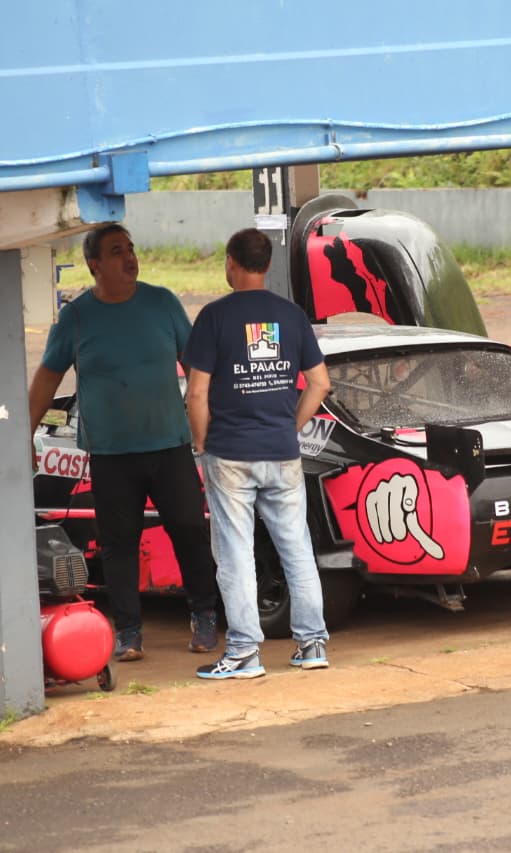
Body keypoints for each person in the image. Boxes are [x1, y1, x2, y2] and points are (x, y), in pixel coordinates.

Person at [26, 223, 219, 663]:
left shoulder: (163, 303)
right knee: (118, 544)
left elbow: (198, 369)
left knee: (190, 530)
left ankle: (204, 615)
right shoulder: (76, 318)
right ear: (94, 264)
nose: (130, 257)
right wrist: (24, 432)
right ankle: (129, 632)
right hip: (111, 455)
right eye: (117, 251)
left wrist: (212, 419)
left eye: (130, 249)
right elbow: (46, 379)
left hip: (169, 447)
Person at [185, 228, 332, 680]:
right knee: (297, 548)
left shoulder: (214, 317)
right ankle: (312, 645)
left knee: (235, 554)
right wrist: (290, 427)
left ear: (231, 263)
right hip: (282, 453)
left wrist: (201, 443)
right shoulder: (291, 315)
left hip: (230, 453)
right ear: (267, 265)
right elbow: (320, 384)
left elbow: (196, 392)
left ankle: (245, 652)